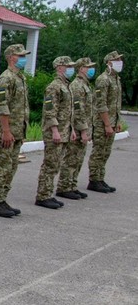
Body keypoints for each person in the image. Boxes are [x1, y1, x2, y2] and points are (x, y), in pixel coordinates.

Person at [0, 44, 31, 218]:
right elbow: (2, 106)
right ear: (11, 57)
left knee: (11, 167)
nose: (23, 58)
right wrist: (6, 131)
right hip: (7, 132)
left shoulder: (19, 77)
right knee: (4, 168)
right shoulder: (6, 78)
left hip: (17, 131)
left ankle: (2, 199)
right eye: (20, 55)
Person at [35, 56, 77, 209]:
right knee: (50, 164)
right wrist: (54, 130)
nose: (71, 69)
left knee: (56, 164)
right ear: (59, 67)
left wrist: (71, 130)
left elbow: (68, 111)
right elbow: (50, 110)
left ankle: (48, 194)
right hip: (55, 132)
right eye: (68, 66)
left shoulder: (66, 85)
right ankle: (43, 195)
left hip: (64, 131)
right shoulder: (54, 86)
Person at [56, 57, 95, 200]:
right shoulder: (77, 86)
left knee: (78, 158)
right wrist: (83, 130)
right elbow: (78, 110)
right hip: (78, 128)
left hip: (82, 127)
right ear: (81, 69)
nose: (91, 69)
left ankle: (72, 185)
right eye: (88, 67)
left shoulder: (85, 84)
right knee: (71, 158)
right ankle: (64, 187)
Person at [88, 51, 125, 193]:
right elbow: (101, 104)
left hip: (112, 121)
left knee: (106, 152)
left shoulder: (116, 78)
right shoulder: (103, 79)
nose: (119, 61)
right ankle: (93, 180)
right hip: (102, 123)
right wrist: (107, 124)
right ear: (109, 62)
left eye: (120, 59)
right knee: (98, 151)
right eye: (116, 59)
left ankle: (100, 178)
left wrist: (117, 121)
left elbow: (116, 103)